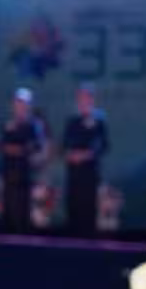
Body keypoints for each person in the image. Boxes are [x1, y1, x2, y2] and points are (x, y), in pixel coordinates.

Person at [63, 83, 109, 236]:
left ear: (91, 99)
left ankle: (88, 237)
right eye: (80, 98)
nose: (83, 101)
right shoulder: (72, 121)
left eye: (86, 98)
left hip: (90, 173)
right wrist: (71, 155)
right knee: (73, 205)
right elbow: (65, 145)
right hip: (74, 173)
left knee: (88, 206)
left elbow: (103, 146)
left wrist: (85, 155)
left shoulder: (98, 121)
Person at [0, 87, 43, 232]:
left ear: (28, 106)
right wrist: (13, 149)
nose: (20, 106)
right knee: (8, 209)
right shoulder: (8, 124)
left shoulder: (33, 125)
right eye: (17, 103)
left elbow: (34, 146)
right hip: (9, 173)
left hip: (24, 175)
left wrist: (18, 150)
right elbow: (2, 145)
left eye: (23, 103)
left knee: (22, 211)